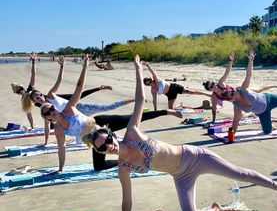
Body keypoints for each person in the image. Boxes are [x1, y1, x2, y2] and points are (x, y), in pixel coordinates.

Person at [83, 55, 277, 211]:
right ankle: (216, 209)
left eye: (108, 141)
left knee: (241, 173)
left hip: (195, 157)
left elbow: (141, 100)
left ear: (112, 135)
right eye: (103, 148)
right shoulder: (124, 165)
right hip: (180, 176)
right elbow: (127, 200)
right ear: (100, 152)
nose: (109, 147)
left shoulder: (132, 133)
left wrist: (139, 71)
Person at [40, 55, 182, 172]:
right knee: (98, 167)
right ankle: (125, 160)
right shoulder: (58, 130)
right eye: (47, 113)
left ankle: (166, 111)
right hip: (97, 142)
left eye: (51, 108)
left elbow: (79, 88)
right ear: (47, 118)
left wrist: (85, 66)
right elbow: (61, 149)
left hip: (102, 123)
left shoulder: (69, 109)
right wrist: (60, 169)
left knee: (133, 119)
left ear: (54, 107)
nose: (51, 112)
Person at [28, 56, 133, 146]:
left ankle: (133, 100)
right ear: (34, 101)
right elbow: (47, 127)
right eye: (37, 98)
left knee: (108, 107)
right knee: (84, 141)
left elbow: (60, 81)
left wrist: (62, 66)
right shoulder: (47, 112)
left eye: (40, 94)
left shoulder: (50, 96)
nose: (40, 97)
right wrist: (46, 142)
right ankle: (111, 136)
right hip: (75, 124)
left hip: (79, 109)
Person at [218, 50, 277, 134]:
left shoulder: (243, 89)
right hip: (262, 112)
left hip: (269, 99)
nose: (234, 91)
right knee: (267, 131)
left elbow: (248, 75)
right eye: (232, 93)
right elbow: (236, 121)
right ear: (232, 98)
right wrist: (232, 134)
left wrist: (251, 60)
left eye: (233, 90)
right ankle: (271, 125)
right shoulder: (237, 106)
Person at [202, 52, 277, 122]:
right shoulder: (214, 96)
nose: (213, 86)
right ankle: (257, 114)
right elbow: (213, 108)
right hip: (236, 102)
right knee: (242, 115)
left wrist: (230, 61)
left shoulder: (220, 84)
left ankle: (276, 86)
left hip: (242, 91)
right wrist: (213, 120)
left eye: (213, 84)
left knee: (259, 90)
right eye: (211, 87)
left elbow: (227, 72)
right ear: (210, 90)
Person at [143, 62, 210, 110]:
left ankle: (207, 94)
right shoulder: (153, 90)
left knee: (191, 91)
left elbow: (152, 72)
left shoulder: (157, 80)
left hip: (174, 87)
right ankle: (180, 105)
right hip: (169, 94)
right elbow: (154, 100)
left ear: (151, 79)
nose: (150, 83)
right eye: (148, 83)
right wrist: (155, 110)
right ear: (147, 85)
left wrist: (147, 65)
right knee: (171, 108)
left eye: (150, 81)